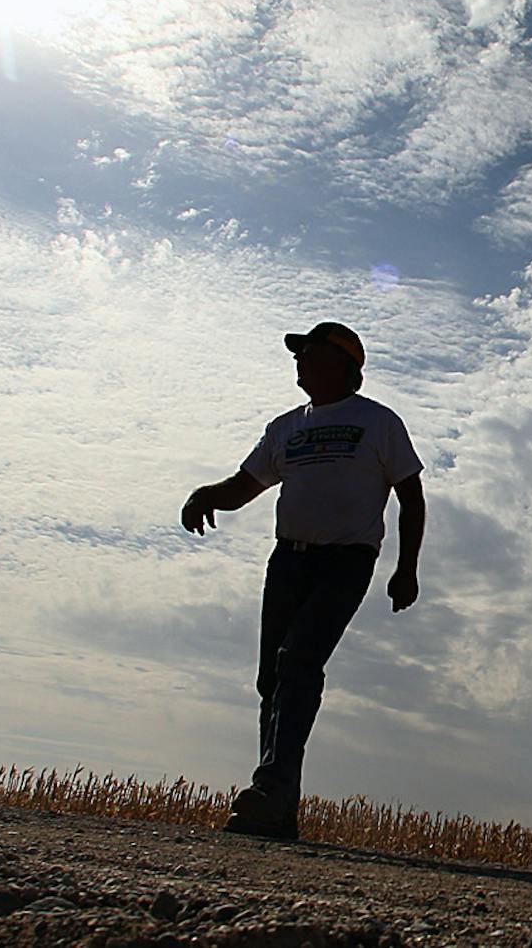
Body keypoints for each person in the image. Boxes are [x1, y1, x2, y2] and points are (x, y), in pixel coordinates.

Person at [181, 320, 426, 840]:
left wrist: (407, 568)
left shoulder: (378, 422)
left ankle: (268, 788)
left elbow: (412, 496)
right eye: (299, 354)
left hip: (346, 561)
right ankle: (278, 807)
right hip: (287, 561)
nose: (299, 360)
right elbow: (245, 486)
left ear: (344, 364)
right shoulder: (286, 427)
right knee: (272, 678)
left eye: (309, 352)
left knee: (298, 662)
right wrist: (205, 493)